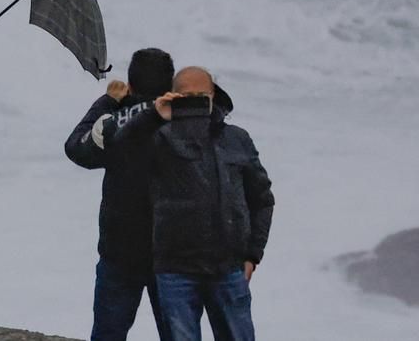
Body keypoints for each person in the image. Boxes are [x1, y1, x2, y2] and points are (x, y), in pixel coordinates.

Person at [114, 67, 273, 341]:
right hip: (175, 269)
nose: (196, 102)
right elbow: (121, 151)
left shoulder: (237, 138)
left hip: (228, 267)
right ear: (174, 97)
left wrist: (252, 255)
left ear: (214, 97)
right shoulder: (159, 138)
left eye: (202, 95)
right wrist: (153, 115)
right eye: (187, 96)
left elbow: (261, 198)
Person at [64, 48, 176, 340]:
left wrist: (109, 101)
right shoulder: (184, 125)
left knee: (108, 334)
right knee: (178, 333)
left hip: (120, 250)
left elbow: (76, 146)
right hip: (172, 251)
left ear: (132, 83)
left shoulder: (117, 125)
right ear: (170, 84)